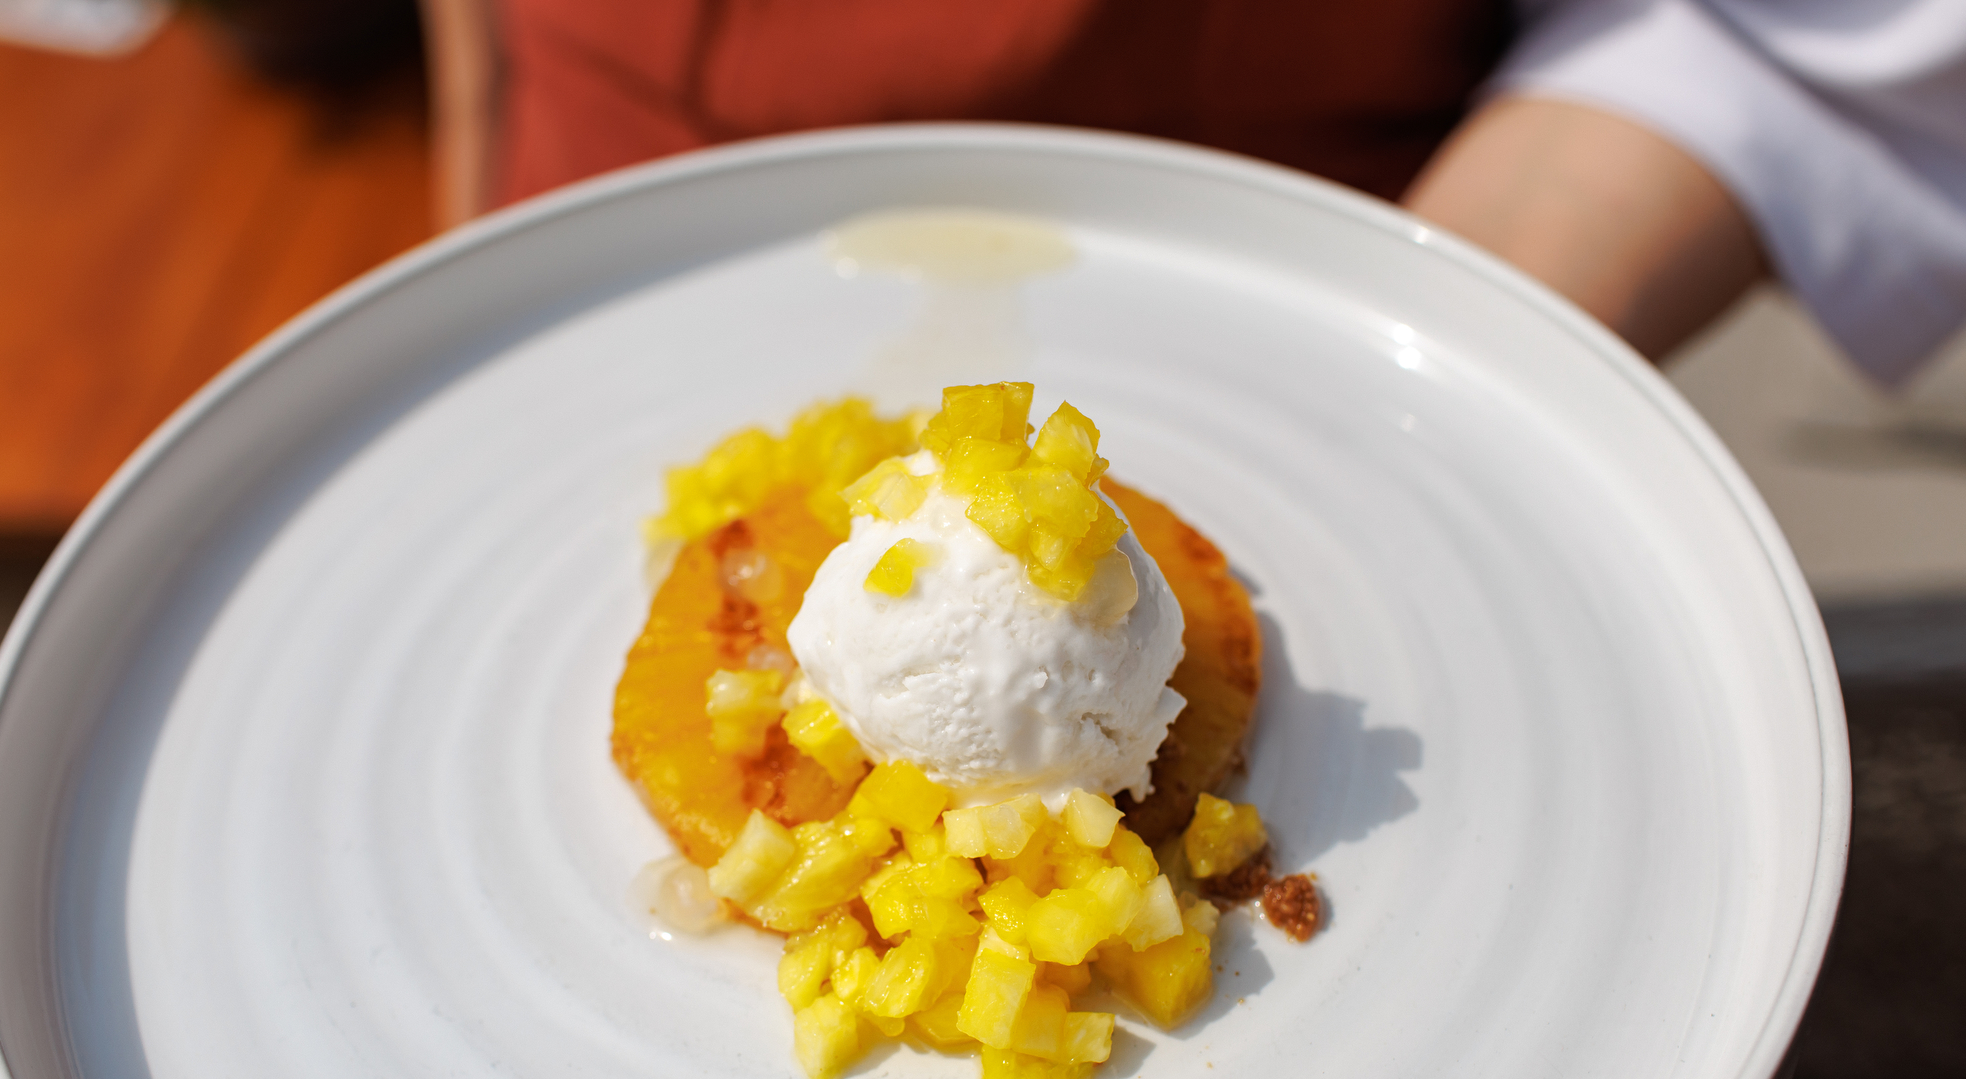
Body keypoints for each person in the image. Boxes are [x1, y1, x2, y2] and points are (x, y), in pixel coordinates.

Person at [418, 0, 1966, 380]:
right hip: (583, 251)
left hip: (1296, 324)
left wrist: (1391, 403)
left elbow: (1769, 44)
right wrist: (462, 254)